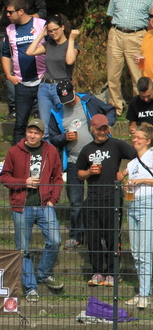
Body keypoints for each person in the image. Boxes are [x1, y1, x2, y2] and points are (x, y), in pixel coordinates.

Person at [0, 118, 64, 301]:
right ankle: (30, 288)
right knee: (23, 249)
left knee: (55, 241)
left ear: (43, 135)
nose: (32, 135)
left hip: (44, 205)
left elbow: (58, 177)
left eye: (36, 133)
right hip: (21, 207)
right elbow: (4, 177)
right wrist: (24, 182)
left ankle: (42, 273)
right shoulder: (14, 151)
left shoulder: (51, 150)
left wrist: (53, 199)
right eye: (30, 132)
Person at [47, 80, 117, 250]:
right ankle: (77, 235)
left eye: (70, 99)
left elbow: (110, 110)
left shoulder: (89, 100)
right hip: (73, 161)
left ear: (75, 90)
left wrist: (106, 124)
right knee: (75, 201)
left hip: (97, 158)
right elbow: (52, 137)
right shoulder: (56, 111)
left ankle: (100, 234)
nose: (68, 103)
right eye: (65, 101)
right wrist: (64, 138)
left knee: (99, 199)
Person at [78, 113, 137, 287]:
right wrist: (89, 172)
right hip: (92, 199)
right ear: (92, 129)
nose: (102, 132)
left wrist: (124, 173)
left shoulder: (116, 144)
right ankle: (97, 271)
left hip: (113, 198)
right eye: (99, 129)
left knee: (112, 236)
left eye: (105, 128)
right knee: (93, 237)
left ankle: (112, 272)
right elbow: (79, 173)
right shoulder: (86, 149)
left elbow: (137, 156)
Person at [106, 0, 153, 115]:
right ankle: (115, 108)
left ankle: (139, 108)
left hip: (137, 36)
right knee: (112, 74)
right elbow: (111, 15)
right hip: (116, 34)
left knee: (138, 74)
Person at [1, 0, 48, 143]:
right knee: (20, 123)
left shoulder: (41, 24)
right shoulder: (9, 29)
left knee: (44, 121)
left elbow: (54, 47)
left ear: (21, 11)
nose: (7, 15)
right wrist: (8, 74)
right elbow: (5, 54)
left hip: (42, 80)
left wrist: (50, 73)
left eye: (10, 12)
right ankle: (18, 153)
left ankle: (45, 152)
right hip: (21, 83)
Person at [25, 14, 79, 130]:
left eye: (55, 29)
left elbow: (70, 60)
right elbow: (29, 52)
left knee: (63, 123)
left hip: (62, 87)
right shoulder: (49, 44)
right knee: (44, 126)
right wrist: (41, 35)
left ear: (62, 27)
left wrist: (71, 39)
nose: (53, 33)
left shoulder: (71, 44)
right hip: (45, 87)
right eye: (50, 31)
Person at [124, 123, 153, 309]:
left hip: (148, 204)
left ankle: (144, 294)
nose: (135, 140)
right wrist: (128, 186)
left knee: (144, 252)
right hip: (132, 204)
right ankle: (142, 290)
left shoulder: (151, 156)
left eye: (139, 138)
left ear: (148, 141)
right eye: (134, 137)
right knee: (136, 252)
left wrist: (140, 180)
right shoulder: (131, 163)